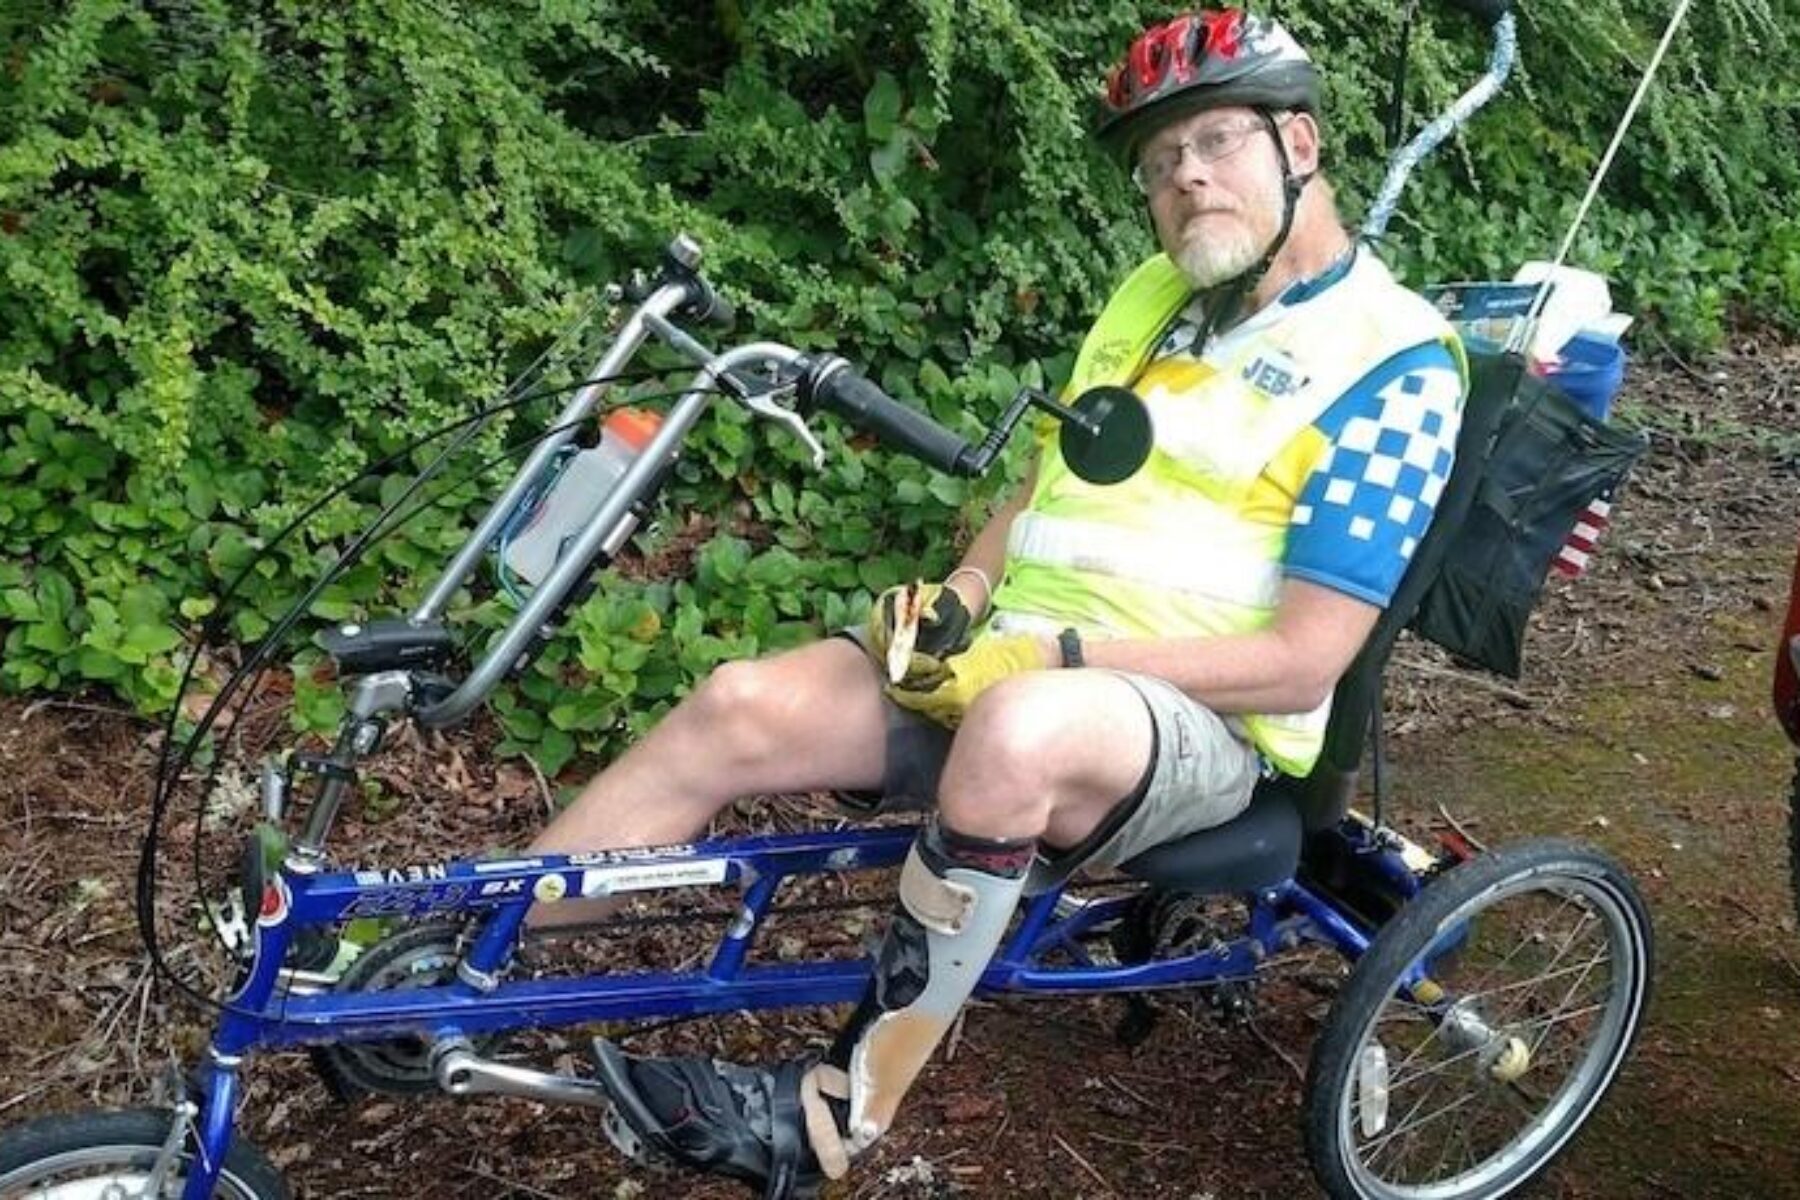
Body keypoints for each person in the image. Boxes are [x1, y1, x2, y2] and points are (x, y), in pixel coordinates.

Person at [528, 8, 1467, 1196]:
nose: (1185, 177)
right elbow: (1046, 484)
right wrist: (966, 597)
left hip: (1199, 727)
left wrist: (1049, 661)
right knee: (739, 703)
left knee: (1022, 730)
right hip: (1024, 658)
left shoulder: (1392, 363)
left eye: (1217, 140)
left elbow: (1302, 663)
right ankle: (456, 973)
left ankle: (835, 1117)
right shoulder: (1153, 296)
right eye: (1158, 159)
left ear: (1302, 145)